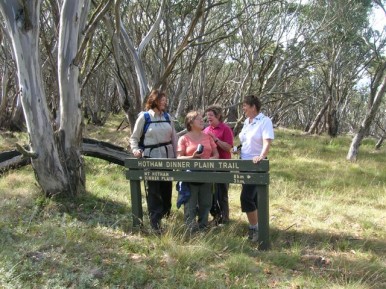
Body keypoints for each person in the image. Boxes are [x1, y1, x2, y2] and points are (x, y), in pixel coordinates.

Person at [129, 89, 177, 233]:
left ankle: (165, 216)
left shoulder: (168, 117)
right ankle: (155, 223)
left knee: (166, 189)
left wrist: (177, 157)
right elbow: (134, 138)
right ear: (154, 100)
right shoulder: (144, 117)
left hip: (167, 158)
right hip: (151, 158)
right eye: (162, 100)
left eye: (165, 100)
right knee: (154, 190)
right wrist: (135, 150)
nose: (164, 103)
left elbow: (174, 138)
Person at [236, 95, 274, 242]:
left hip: (255, 164)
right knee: (253, 197)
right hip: (243, 163)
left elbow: (267, 141)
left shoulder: (264, 121)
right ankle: (259, 228)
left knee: (246, 198)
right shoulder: (247, 122)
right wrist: (237, 149)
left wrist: (262, 156)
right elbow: (245, 142)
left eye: (245, 106)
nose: (243, 109)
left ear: (253, 106)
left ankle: (255, 228)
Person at [177, 111, 219, 231]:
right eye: (198, 119)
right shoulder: (183, 138)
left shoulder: (208, 137)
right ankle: (189, 230)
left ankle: (203, 229)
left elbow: (216, 155)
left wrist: (207, 160)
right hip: (190, 177)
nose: (202, 121)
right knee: (190, 205)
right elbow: (179, 158)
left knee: (206, 204)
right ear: (190, 122)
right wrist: (193, 157)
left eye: (202, 119)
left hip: (207, 175)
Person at [203, 105, 234, 224]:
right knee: (211, 193)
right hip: (210, 167)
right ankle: (215, 217)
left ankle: (225, 219)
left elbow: (228, 148)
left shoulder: (225, 129)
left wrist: (215, 139)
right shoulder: (206, 130)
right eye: (207, 116)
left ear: (218, 116)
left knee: (222, 194)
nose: (208, 118)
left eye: (211, 115)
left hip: (224, 166)